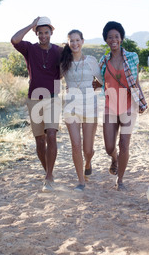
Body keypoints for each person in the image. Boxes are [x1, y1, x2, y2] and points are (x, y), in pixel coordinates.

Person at [11, 17, 62, 193]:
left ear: (51, 33)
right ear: (36, 33)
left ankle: (49, 176)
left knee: (52, 135)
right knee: (40, 140)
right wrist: (30, 25)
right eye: (39, 32)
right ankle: (47, 171)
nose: (43, 35)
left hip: (53, 98)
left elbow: (70, 66)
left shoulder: (59, 51)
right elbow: (14, 39)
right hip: (34, 98)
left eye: (46, 32)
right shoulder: (29, 49)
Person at [98, 21, 148, 191]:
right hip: (110, 106)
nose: (113, 40)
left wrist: (141, 101)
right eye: (110, 37)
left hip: (128, 106)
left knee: (124, 143)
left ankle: (120, 180)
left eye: (116, 37)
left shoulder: (133, 56)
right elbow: (99, 82)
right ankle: (114, 159)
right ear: (106, 40)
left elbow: (136, 81)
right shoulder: (103, 61)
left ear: (121, 39)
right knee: (109, 147)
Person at [60, 30, 103, 192]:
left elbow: (102, 80)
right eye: (71, 41)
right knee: (76, 145)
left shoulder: (91, 61)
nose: (75, 43)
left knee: (88, 149)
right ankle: (80, 181)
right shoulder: (64, 62)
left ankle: (88, 162)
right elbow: (54, 77)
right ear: (68, 43)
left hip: (90, 108)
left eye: (77, 40)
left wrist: (96, 86)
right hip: (71, 108)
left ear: (83, 41)